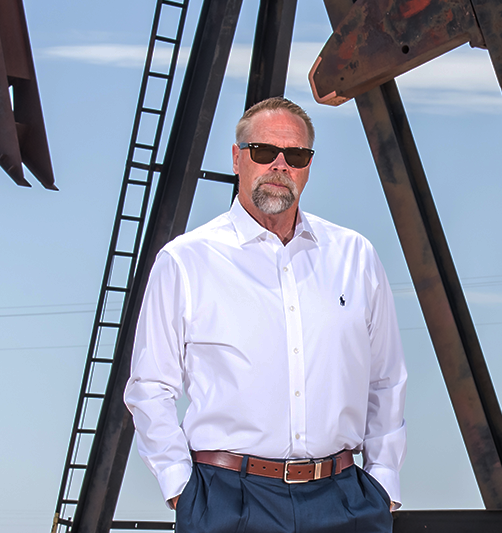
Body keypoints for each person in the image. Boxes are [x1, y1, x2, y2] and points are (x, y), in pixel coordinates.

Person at [121, 97, 408, 533]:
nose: (279, 166)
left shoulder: (355, 256)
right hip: (226, 498)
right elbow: (149, 387)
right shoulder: (185, 261)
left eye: (295, 155)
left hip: (344, 499)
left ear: (308, 166)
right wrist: (180, 485)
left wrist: (383, 479)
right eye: (263, 152)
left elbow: (386, 379)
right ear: (238, 158)